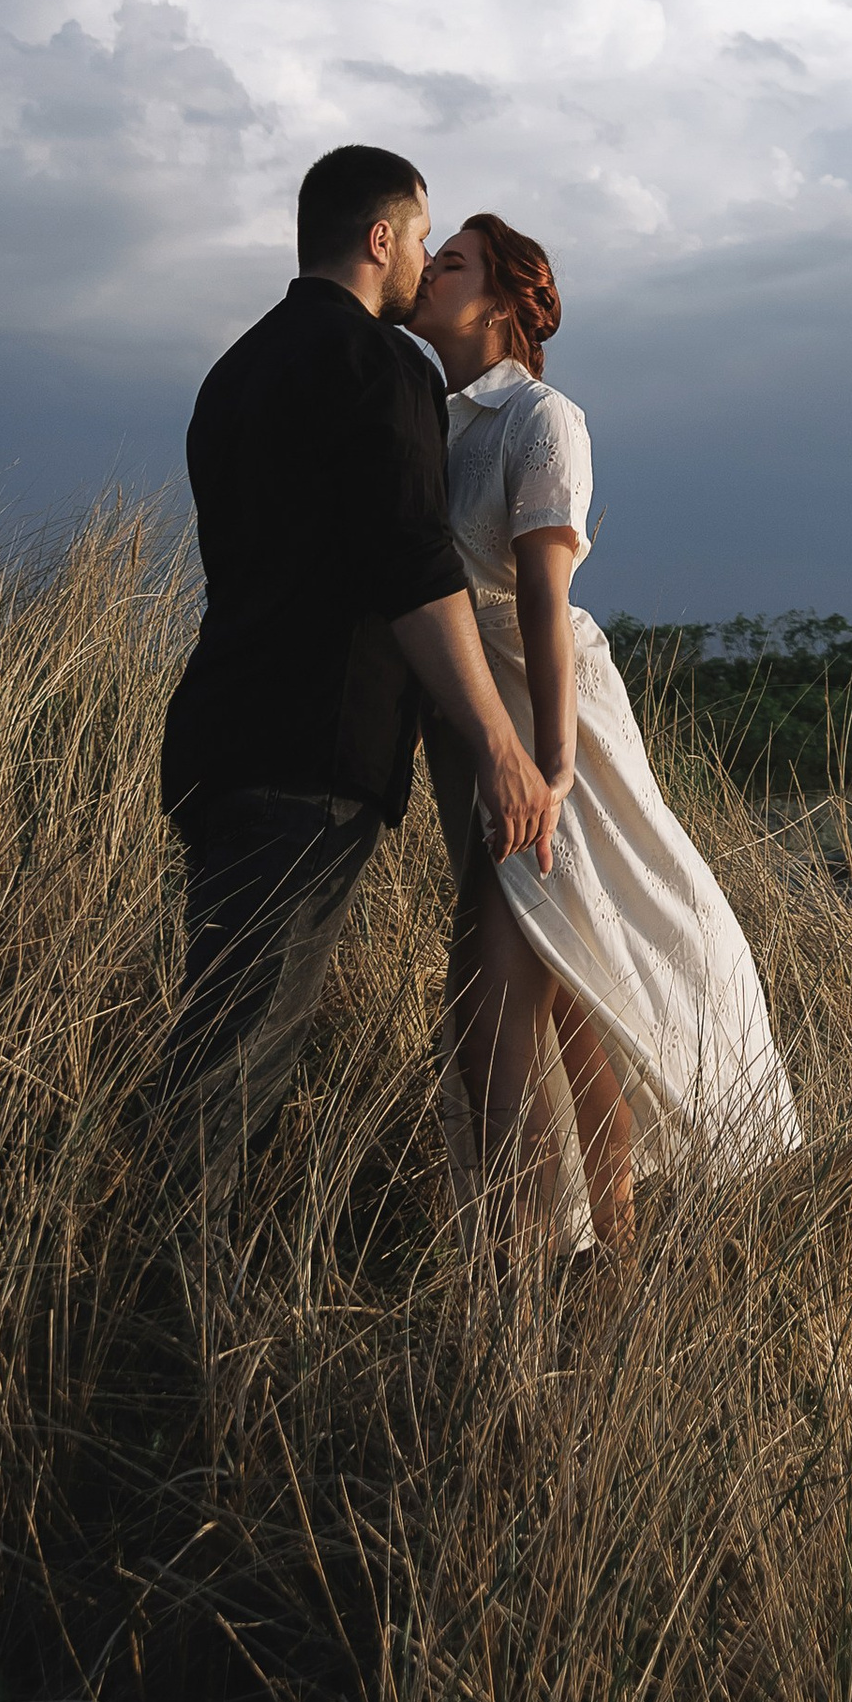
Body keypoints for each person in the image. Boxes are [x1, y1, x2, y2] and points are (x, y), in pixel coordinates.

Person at [156, 145, 560, 1188]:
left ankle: (173, 1283)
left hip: (219, 733)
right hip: (309, 752)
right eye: (423, 239)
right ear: (380, 238)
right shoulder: (380, 368)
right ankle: (175, 1314)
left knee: (223, 1017)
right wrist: (499, 746)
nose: (427, 263)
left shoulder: (232, 372)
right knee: (238, 1054)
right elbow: (413, 573)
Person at [415, 210, 802, 1249]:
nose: (424, 270)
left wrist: (550, 766)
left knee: (502, 1011)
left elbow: (542, 597)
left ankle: (536, 1273)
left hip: (555, 724)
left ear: (498, 303)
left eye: (448, 262)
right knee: (574, 993)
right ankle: (608, 1269)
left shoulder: (542, 418)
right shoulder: (436, 421)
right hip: (483, 728)